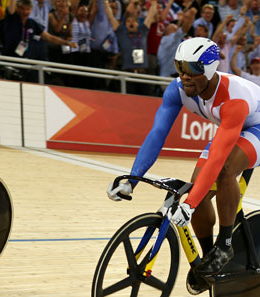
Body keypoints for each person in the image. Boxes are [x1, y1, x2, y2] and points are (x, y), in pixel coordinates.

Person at [107, 37, 260, 294]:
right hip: (231, 129)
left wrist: (187, 206)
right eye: (180, 67)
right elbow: (157, 134)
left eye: (191, 70)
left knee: (224, 170)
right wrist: (131, 180)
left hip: (255, 127)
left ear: (209, 69)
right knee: (197, 194)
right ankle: (208, 259)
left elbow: (220, 153)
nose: (184, 76)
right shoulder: (177, 89)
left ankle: (225, 244)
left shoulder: (235, 98)